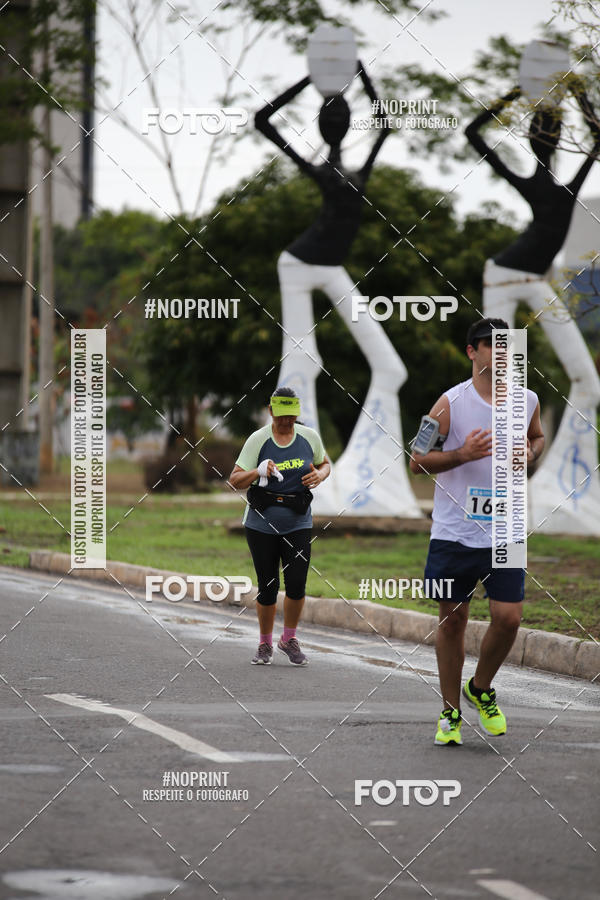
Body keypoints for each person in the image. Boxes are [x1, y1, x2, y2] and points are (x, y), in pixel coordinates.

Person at [254, 63, 419, 517]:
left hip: (330, 267)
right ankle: (296, 479)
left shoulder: (355, 167)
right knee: (302, 362)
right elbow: (262, 121)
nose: (338, 124)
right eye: (332, 118)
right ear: (325, 125)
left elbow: (384, 122)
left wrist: (357, 74)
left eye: (342, 117)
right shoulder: (320, 168)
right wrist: (312, 79)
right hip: (299, 264)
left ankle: (368, 478)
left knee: (390, 366)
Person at [465, 83, 600, 531]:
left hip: (538, 281)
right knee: (497, 383)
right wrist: (515, 93)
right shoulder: (530, 179)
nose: (548, 138)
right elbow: (473, 133)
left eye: (552, 131)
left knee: (587, 381)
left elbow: (598, 135)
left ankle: (566, 485)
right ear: (531, 139)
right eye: (543, 131)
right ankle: (491, 494)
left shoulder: (570, 181)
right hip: (502, 278)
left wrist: (575, 93)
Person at [409, 318, 545, 746]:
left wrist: (529, 451)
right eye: (490, 346)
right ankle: (450, 714)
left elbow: (537, 438)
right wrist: (461, 454)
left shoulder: (527, 400)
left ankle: (480, 687)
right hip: (453, 534)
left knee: (509, 619)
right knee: (453, 621)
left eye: (507, 346)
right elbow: (416, 458)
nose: (500, 353)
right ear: (472, 352)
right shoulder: (449, 404)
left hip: (506, 528)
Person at [229, 386, 331, 666]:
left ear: (296, 414)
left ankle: (289, 639)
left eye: (291, 416)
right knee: (268, 586)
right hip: (261, 524)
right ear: (271, 411)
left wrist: (320, 475)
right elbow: (234, 479)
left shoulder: (309, 437)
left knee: (297, 583)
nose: (286, 421)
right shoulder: (258, 439)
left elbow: (325, 463)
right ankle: (264, 644)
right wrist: (257, 471)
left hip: (298, 520)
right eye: (281, 416)